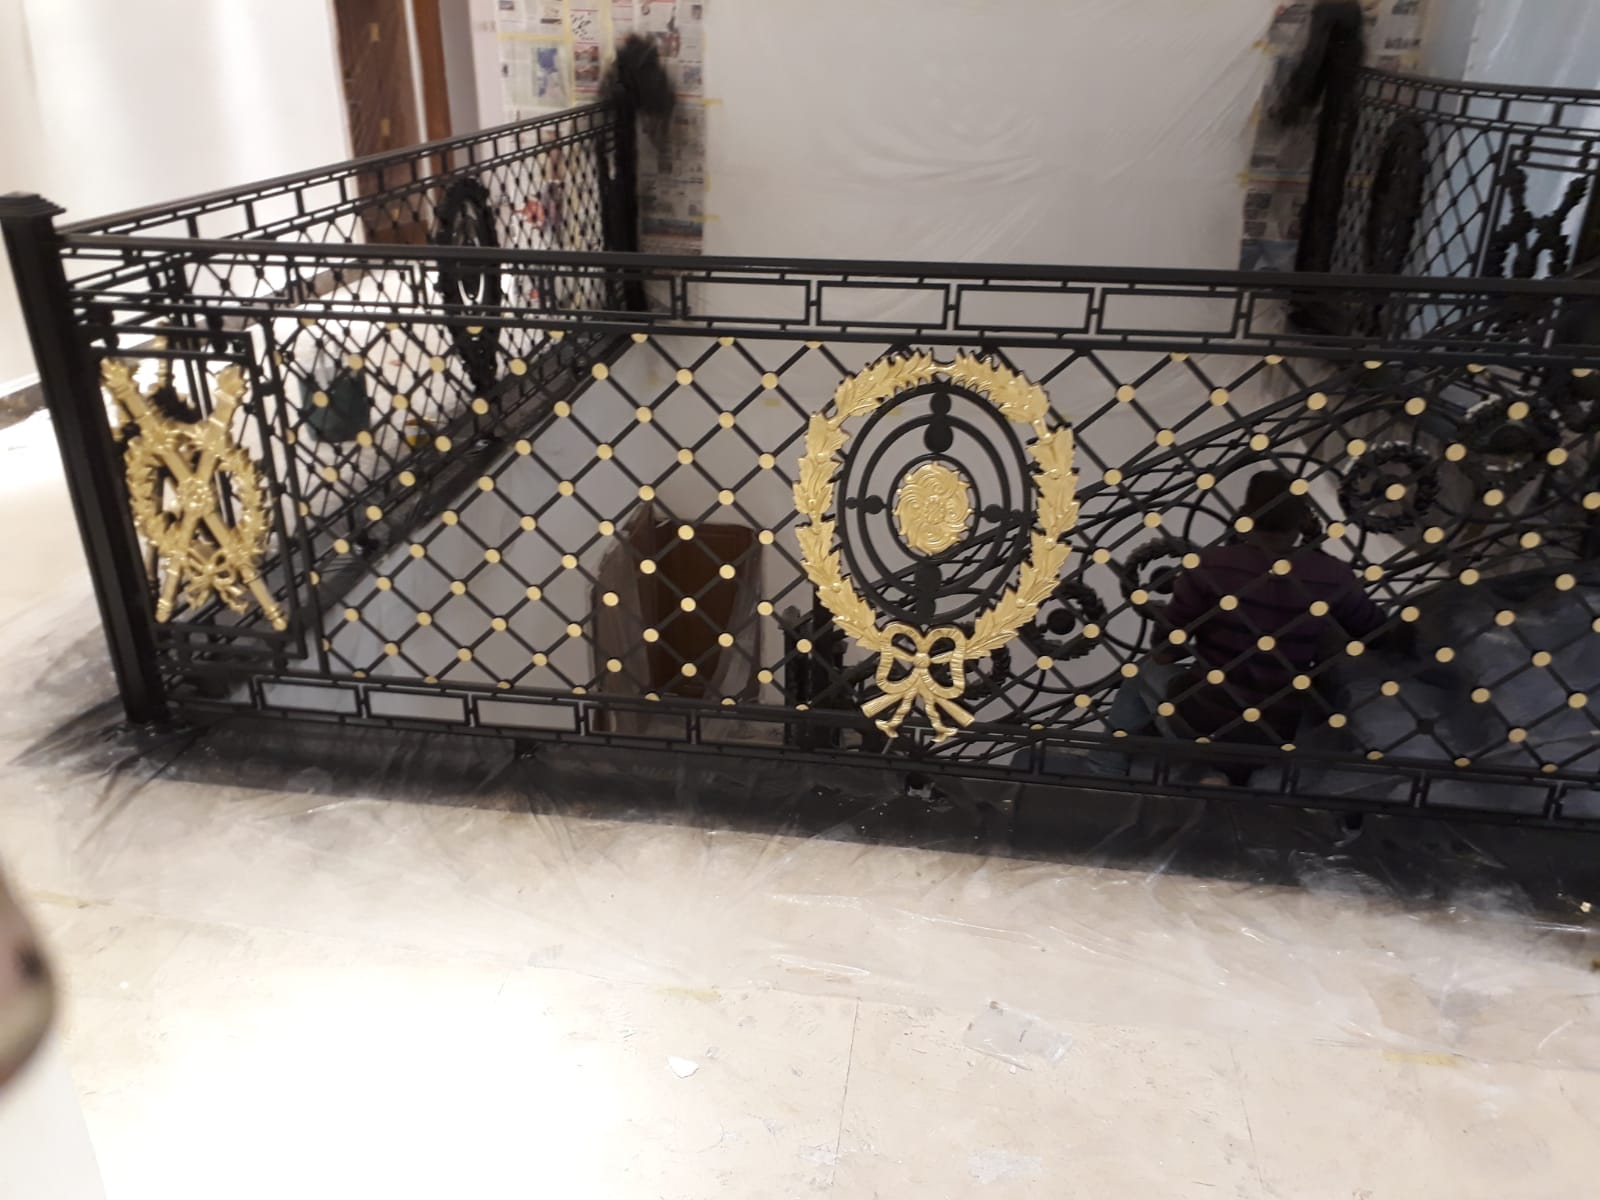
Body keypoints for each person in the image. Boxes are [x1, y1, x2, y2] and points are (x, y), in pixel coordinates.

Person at [1099, 469, 1390, 782]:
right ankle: (1222, 771)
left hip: (1200, 721)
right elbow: (1377, 632)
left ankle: (1106, 770)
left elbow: (1164, 652)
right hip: (1273, 733)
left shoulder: (1211, 566)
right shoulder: (1332, 576)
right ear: (1304, 520)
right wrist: (1313, 545)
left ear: (1245, 515)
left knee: (1141, 673)